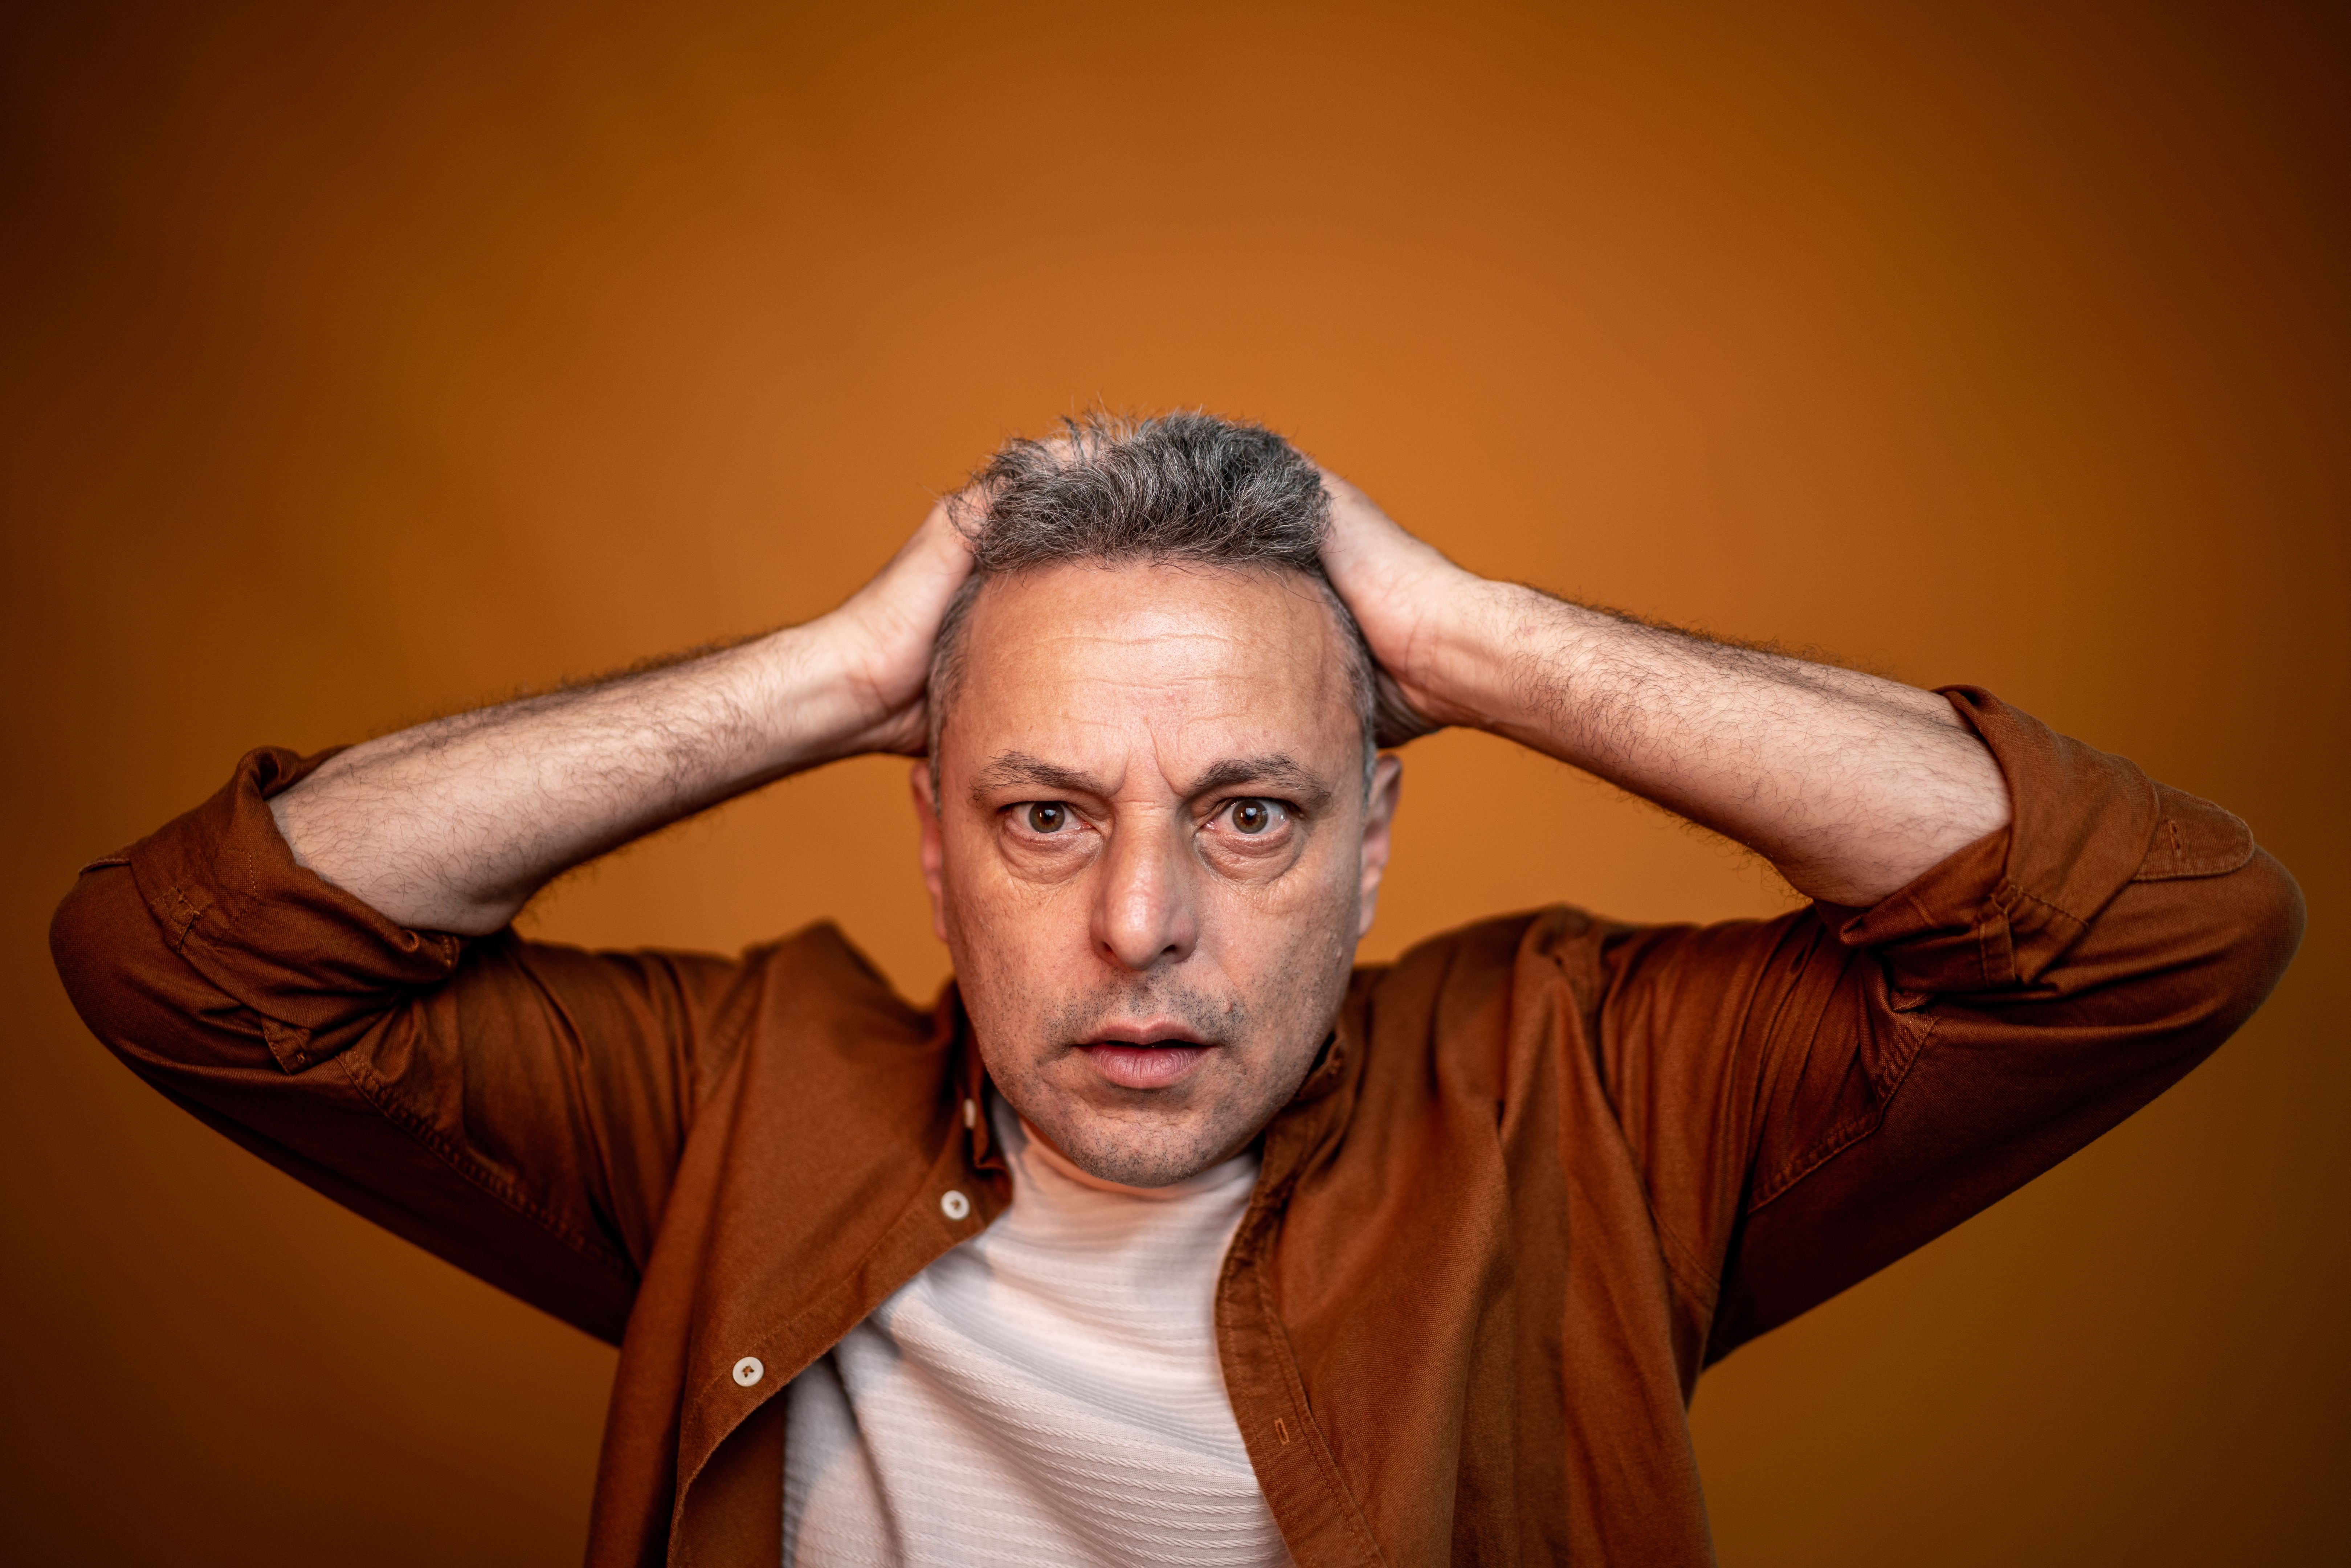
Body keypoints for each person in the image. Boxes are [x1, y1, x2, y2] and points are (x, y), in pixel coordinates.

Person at [50, 411, 2301, 1567]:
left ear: (1379, 835)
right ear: (926, 832)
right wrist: (832, 672)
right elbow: (186, 964)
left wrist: (1481, 645)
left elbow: (2161, 932)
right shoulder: (740, 1102)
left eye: (1250, 813)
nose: (1143, 925)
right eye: (1043, 816)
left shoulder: (1583, 1099)